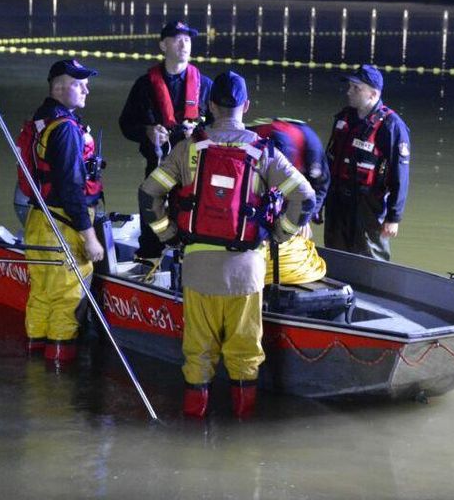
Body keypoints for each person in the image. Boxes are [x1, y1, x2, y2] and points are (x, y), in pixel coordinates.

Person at [138, 71, 315, 418]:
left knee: (198, 354)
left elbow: (149, 194)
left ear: (209, 105)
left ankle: (193, 425)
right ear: (246, 106)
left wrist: (168, 234)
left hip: (198, 269)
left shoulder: (187, 149)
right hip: (246, 273)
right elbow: (305, 199)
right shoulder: (264, 152)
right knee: (245, 354)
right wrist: (280, 233)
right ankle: (242, 435)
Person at [18, 59, 106, 363]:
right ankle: (58, 379)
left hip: (38, 220)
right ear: (58, 86)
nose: (86, 89)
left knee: (42, 295)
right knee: (68, 300)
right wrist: (89, 237)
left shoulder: (42, 120)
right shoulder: (66, 129)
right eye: (78, 83)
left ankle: (36, 369)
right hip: (63, 226)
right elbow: (71, 188)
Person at [119, 21, 213, 264]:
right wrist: (147, 132)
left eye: (188, 39)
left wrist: (200, 131)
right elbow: (126, 124)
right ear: (163, 45)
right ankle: (149, 261)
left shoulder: (205, 86)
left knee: (194, 220)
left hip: (196, 171)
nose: (184, 44)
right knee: (151, 215)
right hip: (158, 164)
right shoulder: (144, 86)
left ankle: (190, 263)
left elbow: (221, 127)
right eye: (178, 39)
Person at [323, 64, 411, 261]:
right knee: (335, 256)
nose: (349, 92)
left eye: (356, 88)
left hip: (367, 205)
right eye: (350, 86)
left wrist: (393, 218)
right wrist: (319, 202)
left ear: (373, 94)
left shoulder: (391, 126)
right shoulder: (344, 118)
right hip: (337, 201)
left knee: (371, 259)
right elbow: (329, 161)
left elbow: (400, 175)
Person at [247, 118, 330, 285]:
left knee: (298, 222)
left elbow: (320, 186)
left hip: (299, 187)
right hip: (260, 182)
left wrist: (305, 217)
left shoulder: (311, 148)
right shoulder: (254, 142)